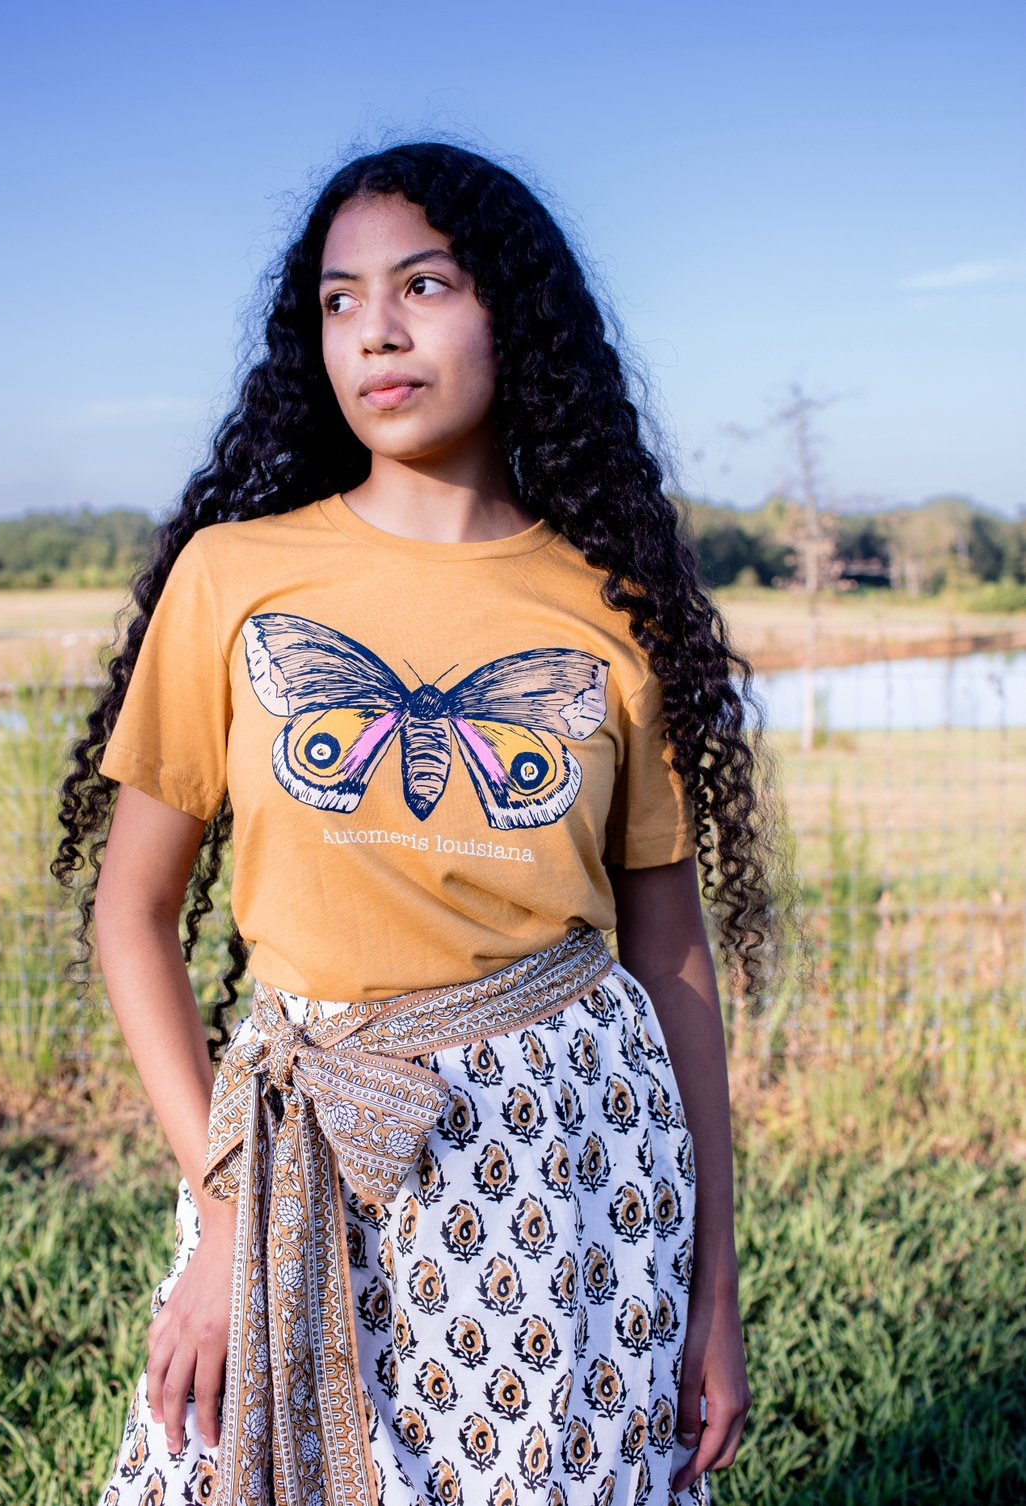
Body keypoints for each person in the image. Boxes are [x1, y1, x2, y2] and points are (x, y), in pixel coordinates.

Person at [55, 140, 778, 1506]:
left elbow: (672, 958)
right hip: (298, 1137)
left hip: (564, 1144)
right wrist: (219, 1214)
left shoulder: (609, 611)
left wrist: (711, 1286)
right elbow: (131, 913)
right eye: (337, 300)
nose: (374, 330)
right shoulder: (233, 578)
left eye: (422, 285)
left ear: (515, 311)